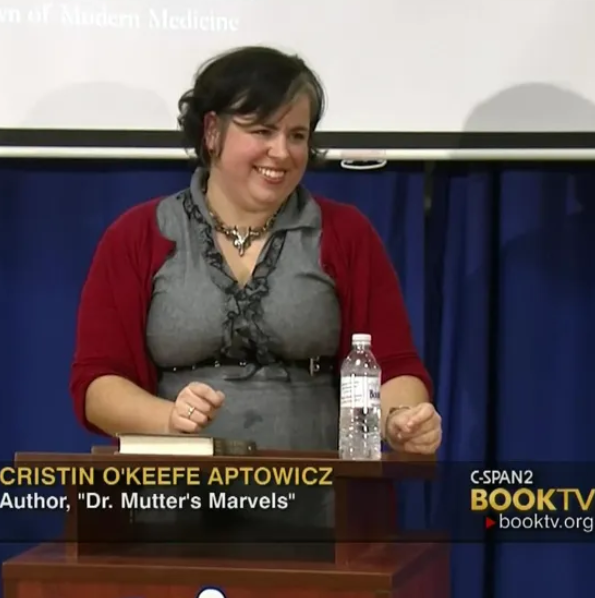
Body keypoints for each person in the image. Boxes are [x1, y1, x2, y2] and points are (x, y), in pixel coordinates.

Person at [70, 45, 442, 457]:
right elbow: (98, 385)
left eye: (297, 135)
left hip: (321, 499)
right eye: (263, 131)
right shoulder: (138, 235)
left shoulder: (346, 233)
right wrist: (168, 418)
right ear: (212, 132)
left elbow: (393, 366)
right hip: (174, 499)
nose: (282, 152)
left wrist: (401, 419)